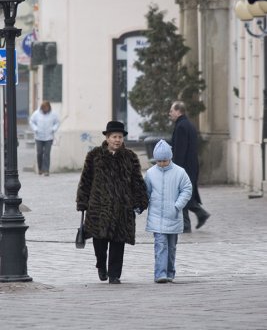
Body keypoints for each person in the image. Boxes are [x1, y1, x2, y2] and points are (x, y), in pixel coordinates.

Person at [76, 120, 148, 284]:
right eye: (114, 136)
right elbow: (86, 180)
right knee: (99, 241)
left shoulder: (130, 157)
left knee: (118, 242)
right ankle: (101, 265)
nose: (117, 140)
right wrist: (82, 202)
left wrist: (140, 200)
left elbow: (137, 181)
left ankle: (114, 275)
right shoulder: (94, 155)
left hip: (122, 207)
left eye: (120, 137)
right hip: (98, 206)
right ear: (107, 138)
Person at [145, 139, 192, 283]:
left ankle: (170, 271)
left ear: (170, 158)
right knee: (160, 246)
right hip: (156, 216)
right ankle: (160, 273)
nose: (161, 164)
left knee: (171, 248)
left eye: (164, 161)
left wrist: (177, 206)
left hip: (173, 216)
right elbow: (146, 192)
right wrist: (141, 206)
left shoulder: (180, 172)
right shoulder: (150, 173)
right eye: (158, 161)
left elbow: (187, 190)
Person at [169, 101, 210, 233]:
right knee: (185, 194)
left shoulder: (181, 126)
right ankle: (198, 216)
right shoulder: (189, 125)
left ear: (178, 111)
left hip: (184, 167)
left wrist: (174, 168)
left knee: (182, 194)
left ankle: (189, 223)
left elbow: (180, 151)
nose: (170, 114)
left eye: (171, 111)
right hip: (191, 166)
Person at [29, 100, 59, 176]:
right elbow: (31, 121)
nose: (46, 109)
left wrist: (53, 129)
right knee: (39, 153)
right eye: (44, 108)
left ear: (49, 107)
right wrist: (35, 129)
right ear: (42, 108)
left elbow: (57, 122)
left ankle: (46, 170)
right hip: (39, 137)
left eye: (47, 108)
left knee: (47, 153)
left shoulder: (53, 114)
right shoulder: (36, 114)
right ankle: (40, 169)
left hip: (49, 137)